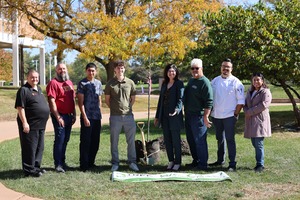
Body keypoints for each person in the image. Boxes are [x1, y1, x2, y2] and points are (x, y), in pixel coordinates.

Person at [210, 58, 245, 171]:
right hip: (216, 116)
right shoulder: (214, 81)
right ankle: (220, 160)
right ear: (221, 67)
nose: (225, 69)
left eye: (228, 67)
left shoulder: (236, 82)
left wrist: (235, 115)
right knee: (219, 138)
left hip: (229, 116)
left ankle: (232, 163)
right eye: (223, 66)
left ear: (231, 69)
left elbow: (240, 102)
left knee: (230, 139)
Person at [104, 60, 139, 172]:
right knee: (114, 141)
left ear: (124, 69)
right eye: (118, 68)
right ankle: (115, 163)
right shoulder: (110, 83)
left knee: (131, 141)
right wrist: (115, 109)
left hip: (129, 116)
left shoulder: (130, 83)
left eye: (122, 68)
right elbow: (107, 100)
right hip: (115, 117)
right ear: (115, 69)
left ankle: (132, 162)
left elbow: (132, 99)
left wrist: (127, 108)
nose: (120, 70)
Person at [15, 69, 50, 177]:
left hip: (40, 125)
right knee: (29, 147)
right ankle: (29, 170)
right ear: (27, 78)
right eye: (32, 77)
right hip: (30, 125)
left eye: (36, 77)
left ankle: (36, 167)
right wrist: (25, 123)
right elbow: (20, 108)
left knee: (39, 147)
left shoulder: (38, 89)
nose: (35, 79)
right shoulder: (24, 90)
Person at [184, 58, 213, 171]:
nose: (195, 70)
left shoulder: (205, 82)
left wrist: (206, 116)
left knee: (200, 141)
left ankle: (203, 164)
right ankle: (195, 161)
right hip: (189, 115)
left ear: (201, 68)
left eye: (197, 68)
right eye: (193, 68)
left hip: (199, 116)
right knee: (191, 140)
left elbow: (209, 101)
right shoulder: (191, 81)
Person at [46, 63, 76, 173]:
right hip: (60, 116)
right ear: (56, 71)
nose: (62, 70)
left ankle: (63, 162)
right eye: (59, 69)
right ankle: (58, 164)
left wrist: (74, 113)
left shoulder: (69, 82)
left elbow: (72, 99)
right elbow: (51, 101)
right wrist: (58, 116)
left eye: (64, 68)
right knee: (60, 140)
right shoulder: (53, 83)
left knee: (66, 140)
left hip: (69, 116)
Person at [154, 64, 184, 171]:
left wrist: (177, 109)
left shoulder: (179, 84)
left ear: (176, 73)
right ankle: (171, 160)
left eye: (173, 71)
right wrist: (157, 116)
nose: (171, 73)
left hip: (174, 116)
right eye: (169, 71)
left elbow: (181, 99)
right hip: (164, 116)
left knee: (176, 140)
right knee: (167, 140)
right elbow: (160, 101)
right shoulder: (164, 84)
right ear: (166, 73)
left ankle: (178, 162)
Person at [244, 72, 272, 173]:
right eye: (254, 80)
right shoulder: (250, 91)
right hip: (251, 121)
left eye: (258, 80)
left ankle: (260, 165)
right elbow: (245, 103)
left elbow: (263, 105)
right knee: (254, 142)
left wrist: (249, 112)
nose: (256, 82)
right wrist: (245, 110)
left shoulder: (265, 92)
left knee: (259, 143)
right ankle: (259, 161)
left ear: (262, 81)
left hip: (260, 121)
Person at [77, 63, 103, 172]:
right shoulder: (82, 83)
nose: (91, 72)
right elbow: (80, 102)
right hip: (87, 117)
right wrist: (84, 117)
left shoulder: (98, 83)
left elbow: (99, 100)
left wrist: (100, 113)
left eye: (93, 70)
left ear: (96, 71)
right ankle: (84, 164)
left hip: (96, 117)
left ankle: (91, 162)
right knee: (86, 141)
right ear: (86, 71)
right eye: (89, 70)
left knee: (95, 141)